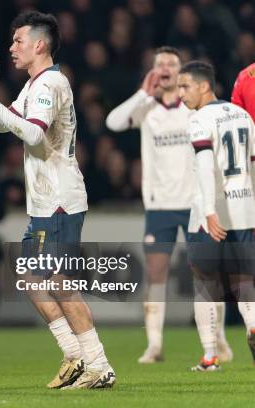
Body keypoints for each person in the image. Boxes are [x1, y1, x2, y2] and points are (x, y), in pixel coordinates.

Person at [0, 11, 115, 389]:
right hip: (45, 201)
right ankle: (75, 356)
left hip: (60, 199)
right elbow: (4, 123)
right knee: (31, 278)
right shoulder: (34, 85)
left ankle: (98, 365)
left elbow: (32, 134)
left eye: (17, 41)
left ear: (39, 44)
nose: (10, 47)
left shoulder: (50, 84)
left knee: (60, 280)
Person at [105, 47, 232, 364]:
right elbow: (113, 122)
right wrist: (141, 93)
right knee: (156, 273)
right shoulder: (147, 108)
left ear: (181, 72)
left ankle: (218, 339)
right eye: (159, 63)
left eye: (171, 64)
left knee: (207, 273)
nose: (164, 68)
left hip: (196, 204)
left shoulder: (194, 108)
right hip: (160, 205)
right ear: (153, 71)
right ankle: (155, 345)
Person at [178, 60, 255, 371]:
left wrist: (209, 211)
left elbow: (205, 168)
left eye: (185, 87)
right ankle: (253, 327)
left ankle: (209, 357)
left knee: (204, 282)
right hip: (246, 212)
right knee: (244, 282)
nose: (180, 94)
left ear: (203, 86)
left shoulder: (199, 120)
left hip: (210, 215)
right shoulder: (244, 117)